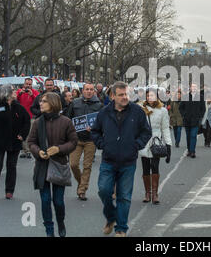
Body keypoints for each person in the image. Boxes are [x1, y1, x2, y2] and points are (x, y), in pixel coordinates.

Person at [92, 82, 152, 237]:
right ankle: (111, 217)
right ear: (113, 96)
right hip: (108, 160)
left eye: (126, 94)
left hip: (128, 161)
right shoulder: (104, 112)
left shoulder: (137, 112)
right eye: (121, 94)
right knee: (104, 190)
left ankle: (121, 229)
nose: (125, 97)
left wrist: (136, 145)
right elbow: (95, 131)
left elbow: (146, 132)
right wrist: (102, 144)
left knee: (124, 196)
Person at [28, 92, 78, 237]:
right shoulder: (38, 122)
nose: (40, 104)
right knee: (45, 200)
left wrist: (59, 149)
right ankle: (49, 230)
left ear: (53, 103)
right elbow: (31, 142)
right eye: (40, 101)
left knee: (58, 201)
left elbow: (73, 142)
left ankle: (60, 222)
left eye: (44, 101)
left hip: (59, 165)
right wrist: (38, 152)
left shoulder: (66, 121)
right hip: (42, 166)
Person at [0, 85, 31, 200]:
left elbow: (26, 121)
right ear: (7, 93)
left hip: (14, 142)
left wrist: (22, 135)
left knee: (11, 166)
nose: (15, 92)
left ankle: (9, 190)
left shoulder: (18, 107)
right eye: (13, 91)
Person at [66, 83, 103, 201]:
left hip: (90, 140)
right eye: (87, 89)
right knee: (73, 164)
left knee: (87, 166)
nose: (89, 91)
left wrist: (95, 128)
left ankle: (82, 190)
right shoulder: (75, 103)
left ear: (94, 91)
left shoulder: (99, 105)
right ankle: (82, 182)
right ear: (83, 91)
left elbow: (102, 123)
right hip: (76, 138)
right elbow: (68, 118)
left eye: (91, 89)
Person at [138, 89, 172, 204]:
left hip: (156, 140)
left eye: (152, 95)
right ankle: (147, 193)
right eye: (148, 96)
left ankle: (155, 193)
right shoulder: (141, 110)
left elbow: (165, 128)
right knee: (145, 166)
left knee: (155, 165)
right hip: (144, 141)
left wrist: (168, 145)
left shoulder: (162, 111)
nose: (149, 98)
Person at [179, 84, 205, 158]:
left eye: (195, 87)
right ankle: (189, 150)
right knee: (188, 136)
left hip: (196, 120)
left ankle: (193, 151)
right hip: (187, 120)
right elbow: (181, 107)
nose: (193, 88)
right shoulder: (185, 96)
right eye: (192, 87)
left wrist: (200, 116)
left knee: (193, 135)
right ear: (190, 88)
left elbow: (203, 108)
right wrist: (184, 114)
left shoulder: (200, 97)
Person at [17, 78, 40, 159]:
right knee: (22, 134)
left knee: (29, 134)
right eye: (27, 84)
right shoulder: (19, 91)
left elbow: (39, 102)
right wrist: (19, 94)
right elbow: (14, 100)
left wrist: (32, 95)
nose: (28, 86)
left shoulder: (35, 92)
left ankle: (28, 151)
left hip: (31, 117)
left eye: (30, 84)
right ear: (24, 84)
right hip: (21, 117)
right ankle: (23, 150)